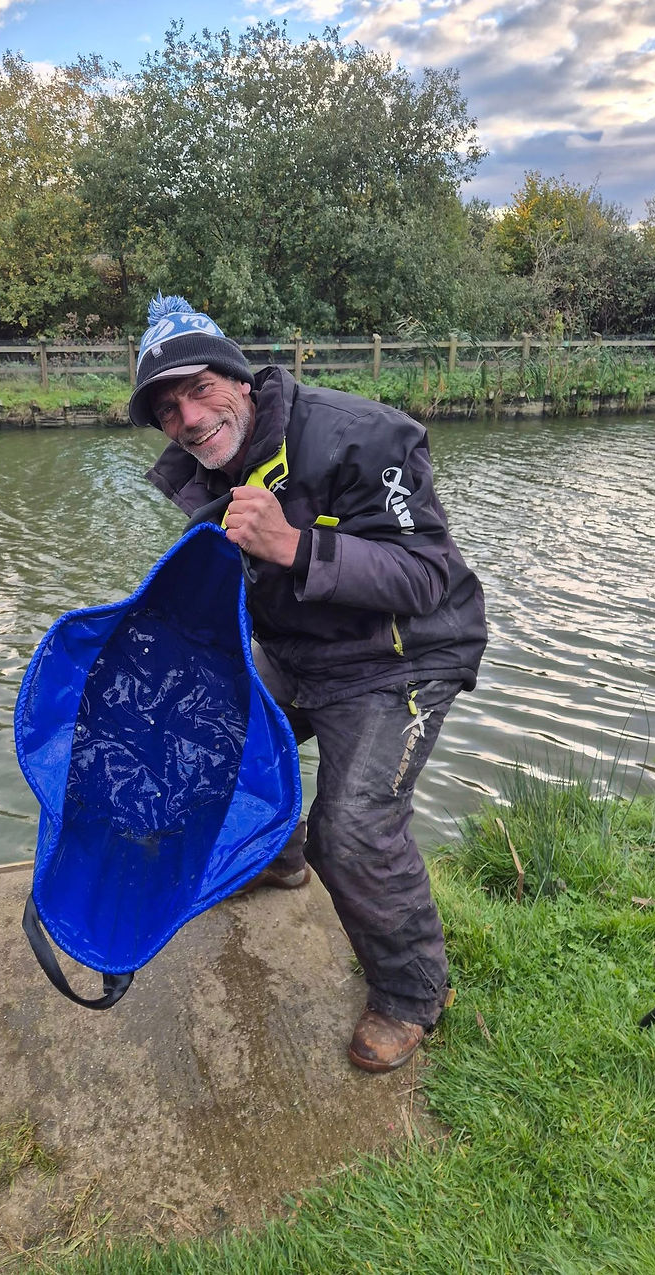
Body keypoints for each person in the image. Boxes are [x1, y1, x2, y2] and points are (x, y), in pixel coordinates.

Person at [128, 294, 487, 1073]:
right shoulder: (202, 471)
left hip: (402, 656)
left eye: (199, 390)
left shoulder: (363, 435)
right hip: (299, 651)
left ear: (239, 377)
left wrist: (295, 545)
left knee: (352, 830)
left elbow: (427, 575)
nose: (189, 418)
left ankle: (412, 993)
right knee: (198, 729)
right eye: (168, 409)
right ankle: (279, 855)